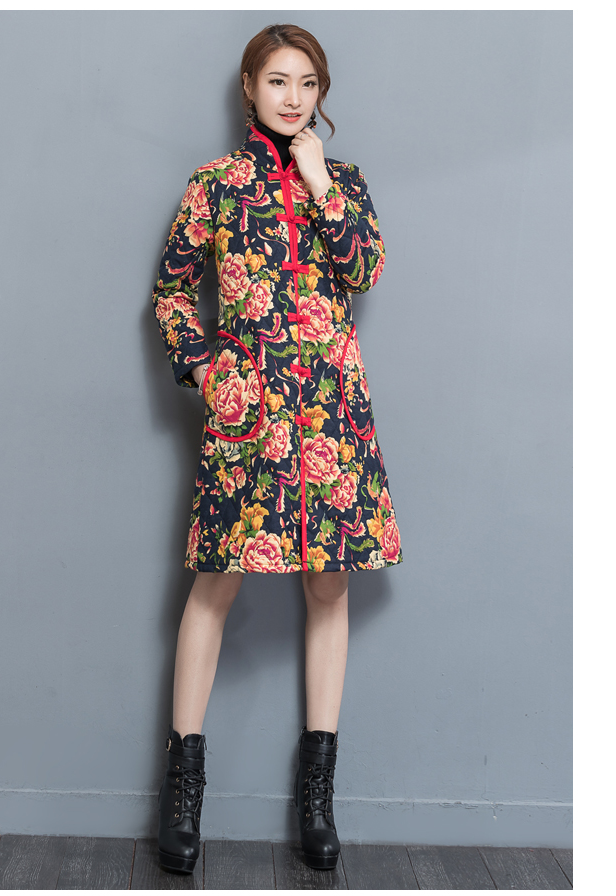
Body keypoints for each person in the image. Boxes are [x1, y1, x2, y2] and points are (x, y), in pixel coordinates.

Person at [151, 23, 403, 874]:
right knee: (214, 583)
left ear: (321, 94)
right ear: (249, 88)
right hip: (249, 415)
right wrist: (207, 371)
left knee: (328, 586)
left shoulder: (347, 182)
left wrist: (321, 181)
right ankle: (182, 794)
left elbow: (364, 271)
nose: (293, 98)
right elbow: (171, 294)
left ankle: (317, 799)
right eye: (277, 81)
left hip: (331, 415)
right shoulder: (215, 185)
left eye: (308, 84)